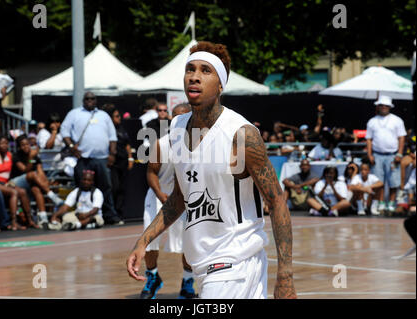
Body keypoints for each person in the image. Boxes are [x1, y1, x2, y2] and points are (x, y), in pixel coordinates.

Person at [127, 41, 296, 299]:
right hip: (207, 267)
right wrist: (145, 239)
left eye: (206, 70)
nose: (194, 76)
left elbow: (276, 201)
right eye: (190, 69)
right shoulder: (176, 128)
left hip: (234, 265)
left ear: (220, 85)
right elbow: (181, 198)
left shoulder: (242, 134)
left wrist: (285, 276)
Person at [140, 103, 196, 299]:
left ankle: (188, 282)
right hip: (158, 196)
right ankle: (152, 277)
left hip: (186, 200)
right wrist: (160, 195)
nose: (178, 123)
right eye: (175, 119)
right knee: (149, 241)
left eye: (183, 119)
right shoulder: (160, 144)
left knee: (189, 242)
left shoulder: (199, 144)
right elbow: (151, 173)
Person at [60, 91, 121, 225]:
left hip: (102, 157)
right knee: (82, 186)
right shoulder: (74, 113)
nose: (90, 100)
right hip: (83, 158)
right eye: (87, 98)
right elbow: (64, 131)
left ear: (96, 100)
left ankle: (109, 215)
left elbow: (112, 137)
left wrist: (112, 154)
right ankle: (81, 214)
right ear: (83, 100)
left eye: (92, 98)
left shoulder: (103, 115)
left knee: (106, 187)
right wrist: (71, 146)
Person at [0, 135, 38, 229]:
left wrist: (31, 157)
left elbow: (24, 168)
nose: (4, 145)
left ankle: (30, 220)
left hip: (5, 183)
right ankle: (13, 221)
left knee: (22, 192)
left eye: (6, 143)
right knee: (14, 192)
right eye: (1, 143)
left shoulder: (10, 155)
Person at [10, 134, 64, 228]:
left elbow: (41, 172)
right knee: (32, 174)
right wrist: (31, 159)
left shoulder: (35, 156)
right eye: (23, 145)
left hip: (30, 183)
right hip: (16, 183)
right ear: (19, 147)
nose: (26, 147)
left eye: (27, 144)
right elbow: (24, 170)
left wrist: (45, 183)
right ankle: (51, 195)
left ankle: (43, 217)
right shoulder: (16, 156)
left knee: (37, 189)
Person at [366, 95, 407, 213]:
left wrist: (399, 154)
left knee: (393, 181)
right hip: (377, 154)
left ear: (389, 107)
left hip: (392, 155)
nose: (384, 107)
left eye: (386, 105)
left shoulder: (397, 120)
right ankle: (381, 202)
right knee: (379, 182)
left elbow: (401, 138)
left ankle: (391, 203)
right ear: (378, 106)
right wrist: (369, 154)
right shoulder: (372, 121)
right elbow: (369, 139)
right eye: (381, 105)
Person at [108, 106, 133, 223]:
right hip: (113, 163)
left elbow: (127, 144)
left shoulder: (122, 129)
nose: (119, 118)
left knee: (122, 188)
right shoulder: (108, 129)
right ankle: (112, 213)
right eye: (117, 116)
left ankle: (120, 213)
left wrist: (130, 158)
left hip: (123, 161)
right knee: (114, 187)